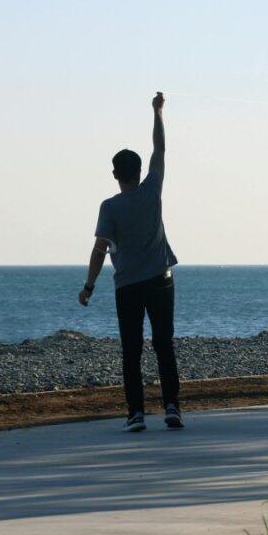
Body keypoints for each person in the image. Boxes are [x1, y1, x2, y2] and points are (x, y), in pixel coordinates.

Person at [78, 93, 183, 431]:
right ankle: (171, 407)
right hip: (160, 280)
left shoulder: (110, 207)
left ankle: (136, 413)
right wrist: (158, 112)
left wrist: (89, 286)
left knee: (132, 352)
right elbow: (160, 149)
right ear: (139, 171)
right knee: (164, 345)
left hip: (128, 287)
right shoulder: (152, 189)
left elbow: (99, 250)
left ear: (114, 174)